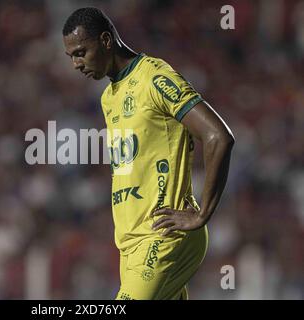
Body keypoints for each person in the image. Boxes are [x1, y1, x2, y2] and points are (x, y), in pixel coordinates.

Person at [62, 7, 235, 300]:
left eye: (81, 52)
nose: (76, 63)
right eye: (72, 57)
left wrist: (202, 212)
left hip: (163, 236)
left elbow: (218, 136)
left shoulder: (154, 78)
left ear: (105, 41)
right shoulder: (109, 96)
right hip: (130, 247)